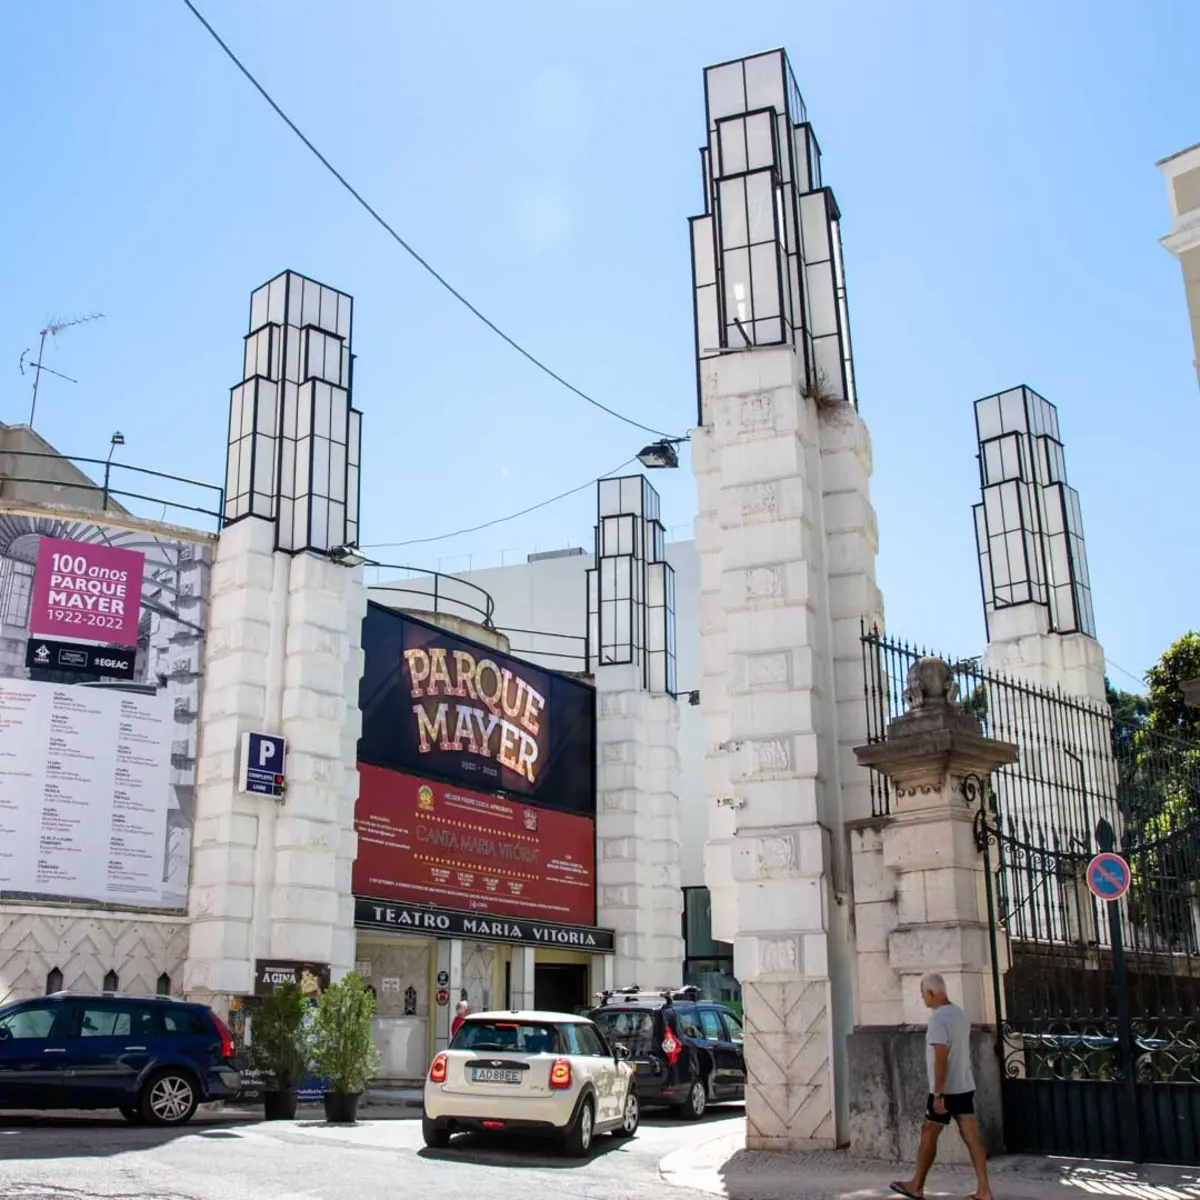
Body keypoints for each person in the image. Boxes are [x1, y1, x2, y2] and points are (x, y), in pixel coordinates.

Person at [890, 973, 993, 1200]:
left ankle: (916, 1186)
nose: (923, 998)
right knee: (971, 1136)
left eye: (923, 994)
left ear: (931, 993)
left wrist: (938, 1094)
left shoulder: (938, 1019)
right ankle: (984, 1190)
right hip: (964, 1085)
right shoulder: (960, 1014)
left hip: (946, 1090)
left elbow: (941, 1057)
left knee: (928, 1133)